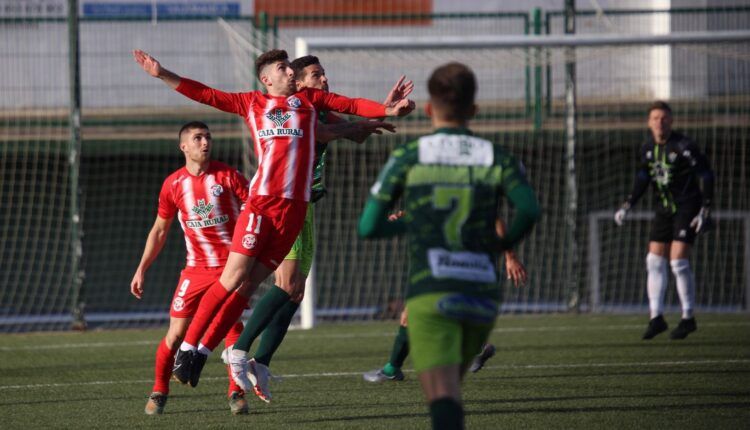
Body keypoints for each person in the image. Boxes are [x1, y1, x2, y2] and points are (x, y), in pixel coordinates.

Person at [133, 49, 414, 395]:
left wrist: (387, 109)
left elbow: (352, 104)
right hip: (262, 204)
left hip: (295, 211)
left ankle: (204, 354)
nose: (291, 73)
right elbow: (205, 94)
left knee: (253, 286)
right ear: (267, 78)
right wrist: (162, 74)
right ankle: (188, 349)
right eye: (283, 68)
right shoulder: (251, 103)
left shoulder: (309, 101)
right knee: (234, 277)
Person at [358, 62, 540, 430]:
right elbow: (529, 210)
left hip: (433, 283)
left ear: (427, 110)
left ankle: (398, 371)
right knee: (452, 386)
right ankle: (409, 366)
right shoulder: (497, 157)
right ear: (473, 110)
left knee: (442, 396)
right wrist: (501, 246)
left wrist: (413, 225)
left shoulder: (410, 157)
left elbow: (368, 227)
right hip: (481, 289)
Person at [226, 54, 412, 403]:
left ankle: (261, 362)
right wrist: (367, 120)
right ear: (296, 80)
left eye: (324, 74)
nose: (323, 80)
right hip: (284, 204)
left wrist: (380, 111)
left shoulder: (319, 108)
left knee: (295, 292)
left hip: (307, 206)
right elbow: (329, 132)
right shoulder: (296, 108)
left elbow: (353, 133)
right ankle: (237, 349)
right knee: (287, 283)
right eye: (316, 75)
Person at [130, 121, 250, 415]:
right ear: (183, 146)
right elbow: (160, 231)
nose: (205, 142)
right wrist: (142, 268)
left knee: (232, 328)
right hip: (195, 271)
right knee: (176, 333)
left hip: (230, 269)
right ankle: (159, 390)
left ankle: (236, 392)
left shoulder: (229, 176)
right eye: (198, 138)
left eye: (208, 137)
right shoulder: (173, 184)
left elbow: (255, 212)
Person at [363, 219, 527, 382]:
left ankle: (392, 369)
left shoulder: (475, 196)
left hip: (451, 260)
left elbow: (497, 219)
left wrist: (510, 256)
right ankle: (477, 348)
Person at [614, 100, 714, 340]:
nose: (660, 122)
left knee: (677, 261)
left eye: (664, 118)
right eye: (655, 118)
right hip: (664, 209)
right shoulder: (647, 149)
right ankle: (656, 317)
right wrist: (627, 205)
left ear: (671, 121)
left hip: (687, 207)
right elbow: (642, 179)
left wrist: (705, 209)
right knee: (653, 260)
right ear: (649, 123)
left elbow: (706, 176)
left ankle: (688, 317)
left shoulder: (684, 146)